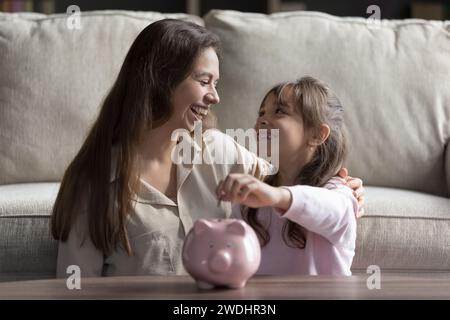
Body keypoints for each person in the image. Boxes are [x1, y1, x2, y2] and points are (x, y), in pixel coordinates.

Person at [51, 19, 364, 278]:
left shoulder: (219, 151)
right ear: (160, 80)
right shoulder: (93, 184)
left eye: (216, 84)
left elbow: (290, 176)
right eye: (204, 81)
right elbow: (76, 289)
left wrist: (343, 191)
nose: (215, 97)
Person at [217, 77, 359, 275]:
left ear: (317, 134)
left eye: (280, 111)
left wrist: (276, 196)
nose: (261, 120)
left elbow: (334, 209)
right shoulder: (252, 200)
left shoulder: (338, 193)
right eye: (261, 113)